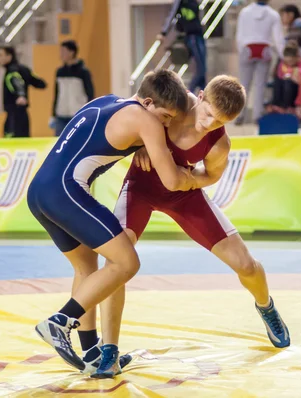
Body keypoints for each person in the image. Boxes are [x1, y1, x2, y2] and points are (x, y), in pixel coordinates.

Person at [93, 75, 290, 378]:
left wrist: (188, 180)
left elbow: (211, 176)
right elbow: (130, 118)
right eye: (208, 114)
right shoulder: (172, 100)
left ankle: (266, 307)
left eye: (218, 122)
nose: (208, 125)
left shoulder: (219, 143)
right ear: (199, 96)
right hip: (141, 187)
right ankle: (110, 351)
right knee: (116, 261)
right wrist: (141, 145)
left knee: (246, 265)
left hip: (183, 194)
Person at [29, 70, 194, 375]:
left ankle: (92, 353)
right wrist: (198, 177)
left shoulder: (106, 101)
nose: (167, 124)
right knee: (126, 262)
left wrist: (141, 143)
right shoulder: (146, 121)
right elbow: (171, 180)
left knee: (86, 267)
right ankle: (59, 322)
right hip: (65, 192)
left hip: (39, 192)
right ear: (147, 102)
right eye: (166, 116)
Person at [235, 0, 285, 124]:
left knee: (243, 85)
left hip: (247, 48)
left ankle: (239, 115)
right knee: (260, 85)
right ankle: (257, 116)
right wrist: (283, 56)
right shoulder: (273, 14)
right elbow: (278, 38)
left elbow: (239, 34)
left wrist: (241, 49)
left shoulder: (244, 12)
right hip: (265, 49)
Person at [0, 44, 46, 138]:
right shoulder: (23, 69)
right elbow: (40, 83)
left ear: (9, 56)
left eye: (0, 55)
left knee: (13, 145)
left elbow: (17, 82)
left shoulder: (12, 72)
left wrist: (21, 95)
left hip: (14, 116)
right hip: (22, 115)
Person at [158, 0, 206, 93]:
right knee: (201, 70)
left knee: (203, 70)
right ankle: (189, 93)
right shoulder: (180, 2)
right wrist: (163, 33)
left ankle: (203, 95)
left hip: (199, 35)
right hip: (191, 36)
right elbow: (172, 15)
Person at [51, 40, 94, 137]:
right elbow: (57, 93)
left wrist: (89, 113)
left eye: (63, 51)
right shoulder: (60, 72)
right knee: (59, 143)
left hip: (78, 114)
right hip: (61, 114)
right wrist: (53, 114)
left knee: (79, 140)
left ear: (72, 52)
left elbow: (90, 93)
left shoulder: (83, 72)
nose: (61, 54)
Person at [270, 41, 301, 114]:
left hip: (298, 90)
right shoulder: (283, 64)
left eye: (291, 61)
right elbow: (280, 76)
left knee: (288, 82)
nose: (289, 63)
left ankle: (287, 106)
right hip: (285, 89)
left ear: (297, 57)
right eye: (287, 61)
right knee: (278, 81)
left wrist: (292, 76)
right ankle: (277, 104)